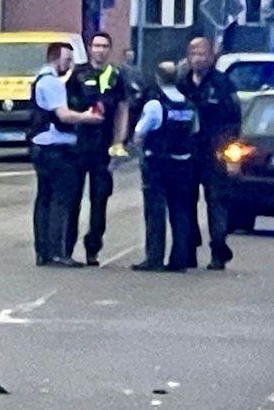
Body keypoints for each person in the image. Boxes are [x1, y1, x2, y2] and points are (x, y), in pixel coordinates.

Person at [30, 41, 106, 267]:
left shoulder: (39, 80)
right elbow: (63, 115)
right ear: (55, 58)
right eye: (67, 59)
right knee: (60, 202)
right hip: (57, 150)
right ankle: (57, 252)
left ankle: (43, 251)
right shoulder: (52, 83)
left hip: (41, 146)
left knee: (44, 199)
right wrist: (87, 118)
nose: (69, 64)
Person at [66, 32, 135, 266]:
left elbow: (122, 109)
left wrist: (119, 141)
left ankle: (93, 247)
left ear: (110, 49)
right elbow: (64, 107)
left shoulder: (115, 76)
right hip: (77, 146)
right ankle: (66, 247)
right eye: (96, 45)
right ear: (89, 48)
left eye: (105, 46)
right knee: (72, 199)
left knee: (100, 200)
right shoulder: (77, 75)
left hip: (102, 147)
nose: (100, 50)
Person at [177, 35, 241, 270]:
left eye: (201, 54)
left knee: (217, 202)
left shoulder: (222, 84)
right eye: (192, 54)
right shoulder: (182, 84)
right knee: (186, 202)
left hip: (216, 153)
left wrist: (232, 154)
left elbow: (234, 121)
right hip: (188, 152)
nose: (197, 58)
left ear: (211, 57)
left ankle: (218, 250)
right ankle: (189, 249)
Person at [130, 62, 199, 272]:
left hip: (158, 164)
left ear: (157, 78)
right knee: (181, 212)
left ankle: (154, 258)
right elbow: (194, 131)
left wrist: (138, 152)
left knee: (155, 212)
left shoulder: (155, 105)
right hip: (183, 163)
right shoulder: (189, 105)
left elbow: (139, 134)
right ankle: (179, 259)